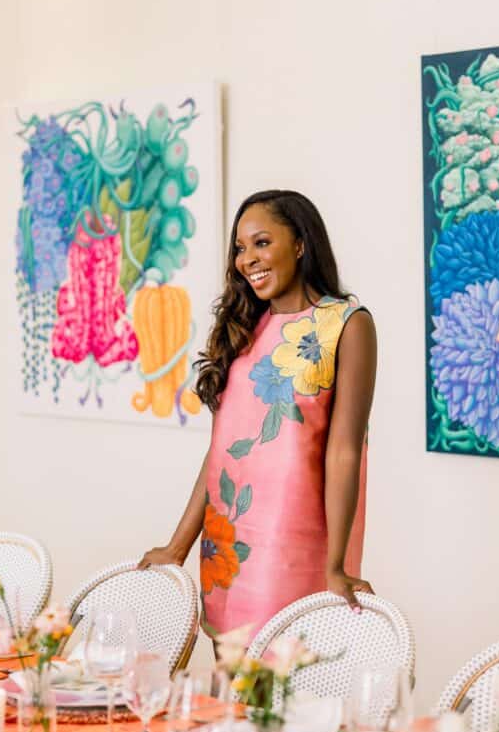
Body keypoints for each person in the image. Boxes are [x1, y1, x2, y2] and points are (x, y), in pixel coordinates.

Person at [138, 189, 376, 639]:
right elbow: (220, 454)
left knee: (283, 691)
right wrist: (178, 547)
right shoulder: (244, 328)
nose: (248, 259)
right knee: (234, 693)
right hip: (227, 545)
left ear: (301, 243)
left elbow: (345, 451)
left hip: (295, 544)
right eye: (240, 249)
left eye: (262, 242)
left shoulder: (347, 323)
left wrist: (338, 566)